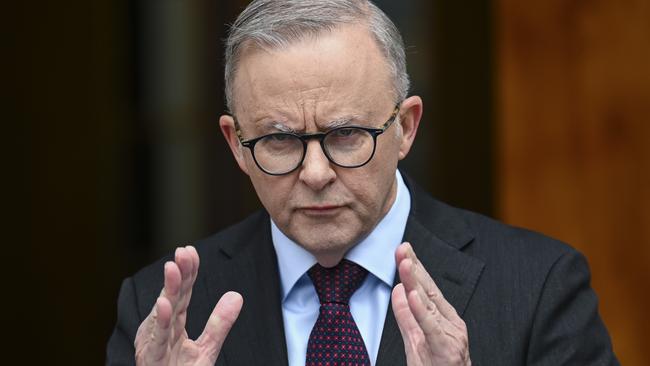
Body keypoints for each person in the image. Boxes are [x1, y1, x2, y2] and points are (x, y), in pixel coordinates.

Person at [106, 1, 619, 365]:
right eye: (280, 141)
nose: (315, 174)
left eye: (347, 134)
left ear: (406, 128)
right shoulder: (160, 310)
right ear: (236, 145)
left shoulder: (538, 287)